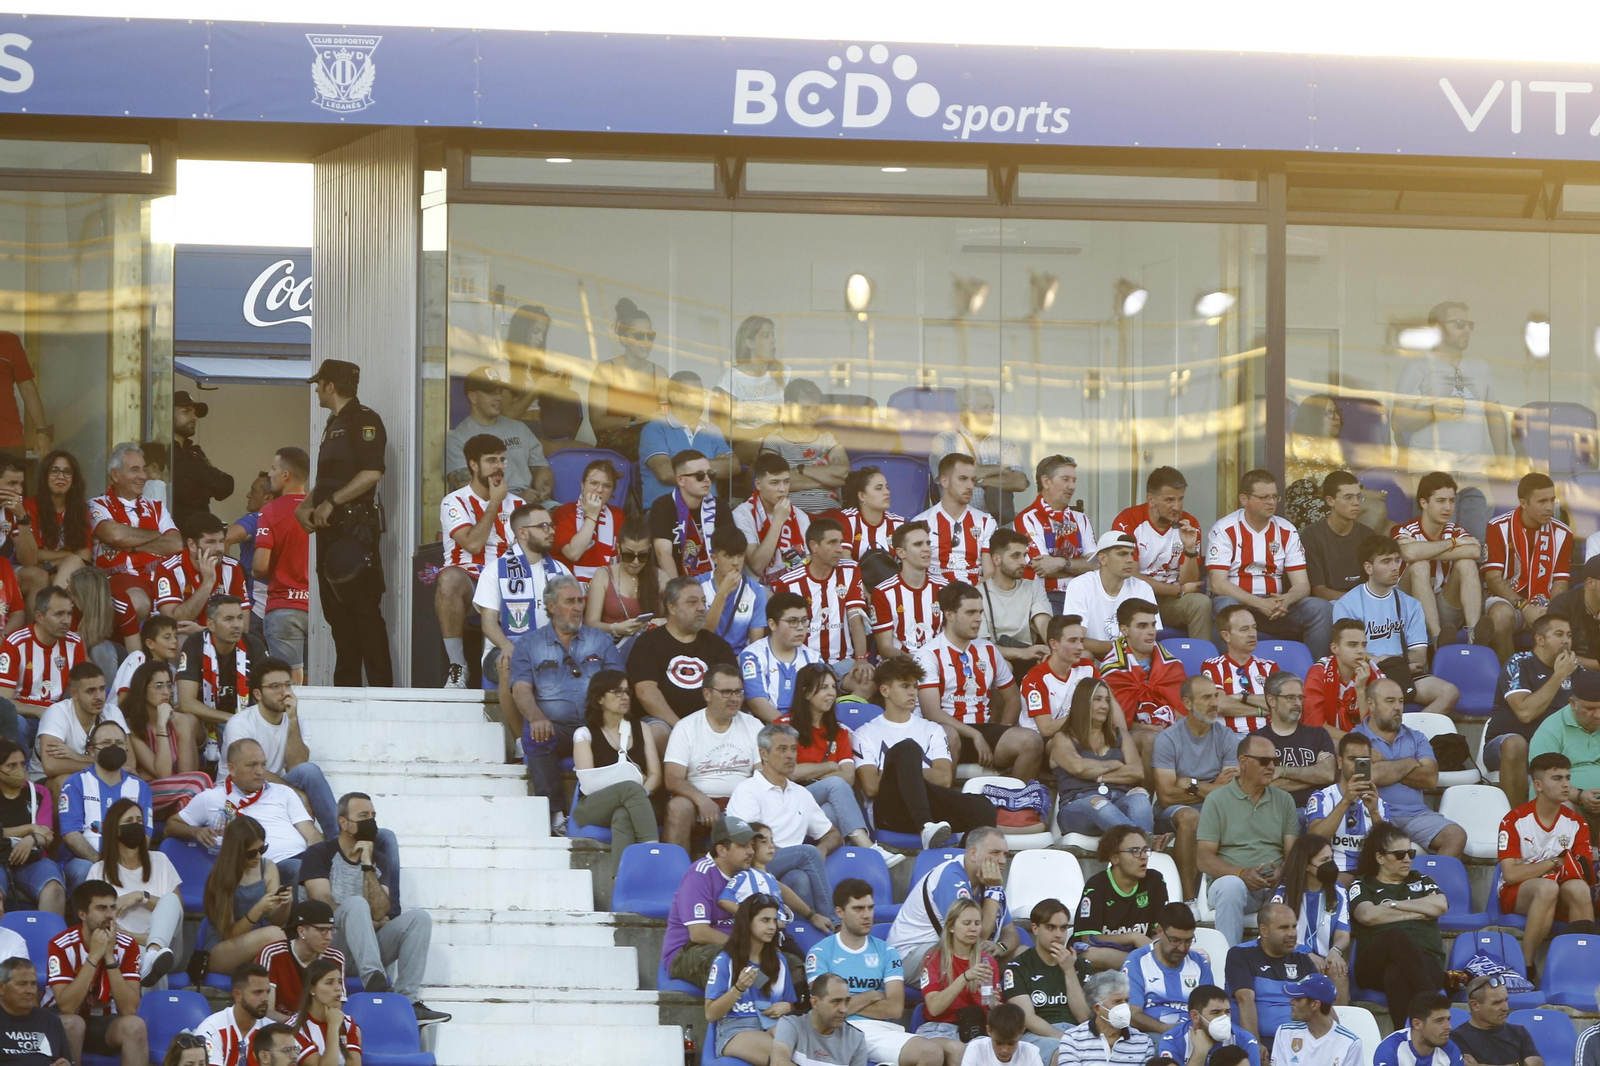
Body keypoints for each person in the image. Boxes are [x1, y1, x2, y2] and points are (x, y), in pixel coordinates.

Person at [300, 793, 448, 1024]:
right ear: (343, 822)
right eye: (363, 816)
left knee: (419, 918)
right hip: (331, 947)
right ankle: (374, 980)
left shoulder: (378, 859)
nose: (371, 821)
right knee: (357, 904)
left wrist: (367, 865)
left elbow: (380, 912)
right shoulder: (319, 853)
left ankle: (406, 1003)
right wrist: (368, 919)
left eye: (373, 816)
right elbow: (322, 906)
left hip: (367, 946)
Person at [296, 358, 392, 688]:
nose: (317, 391)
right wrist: (306, 505)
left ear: (330, 386)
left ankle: (382, 692)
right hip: (329, 532)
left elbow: (371, 473)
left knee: (364, 613)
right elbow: (328, 480)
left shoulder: (364, 420)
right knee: (338, 616)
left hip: (354, 531)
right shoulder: (331, 423)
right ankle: (346, 692)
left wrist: (332, 503)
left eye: (319, 385)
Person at [510, 574, 623, 830]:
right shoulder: (529, 644)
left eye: (580, 601)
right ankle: (555, 815)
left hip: (597, 726)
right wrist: (536, 717)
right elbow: (521, 689)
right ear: (551, 606)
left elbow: (619, 684)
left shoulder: (601, 640)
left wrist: (610, 721)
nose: (577, 607)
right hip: (556, 727)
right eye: (569, 601)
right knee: (535, 734)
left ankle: (610, 815)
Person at [853, 658, 997, 848]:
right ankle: (925, 827)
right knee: (908, 749)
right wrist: (908, 769)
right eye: (905, 686)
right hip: (890, 812)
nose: (913, 692)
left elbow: (945, 779)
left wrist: (903, 772)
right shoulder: (864, 733)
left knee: (984, 807)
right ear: (885, 690)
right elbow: (871, 787)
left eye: (915, 686)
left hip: (928, 803)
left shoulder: (932, 730)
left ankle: (958, 863)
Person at [1393, 301, 1503, 546]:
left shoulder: (1480, 367)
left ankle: (1471, 585)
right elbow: (1398, 422)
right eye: (1459, 324)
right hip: (1432, 471)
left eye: (1469, 325)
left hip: (1475, 471)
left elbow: (1495, 415)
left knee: (1475, 544)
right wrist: (1433, 412)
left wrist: (1503, 460)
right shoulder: (1417, 367)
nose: (1466, 330)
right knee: (1435, 545)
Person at [807, 878, 949, 1066]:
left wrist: (844, 1005)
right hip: (835, 1030)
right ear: (839, 912)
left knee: (931, 1053)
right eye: (858, 909)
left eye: (870, 908)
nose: (867, 915)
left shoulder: (887, 952)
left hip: (878, 1030)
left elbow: (895, 1008)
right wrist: (872, 995)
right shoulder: (820, 953)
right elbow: (825, 1010)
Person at [916, 582, 1043, 781]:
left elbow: (1012, 699)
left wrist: (1004, 728)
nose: (978, 619)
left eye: (980, 612)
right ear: (949, 615)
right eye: (971, 612)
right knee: (949, 735)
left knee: (1031, 741)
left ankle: (1013, 805)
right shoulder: (929, 654)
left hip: (983, 728)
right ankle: (943, 806)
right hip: (945, 731)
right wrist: (975, 735)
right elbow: (932, 713)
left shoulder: (988, 650)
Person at [1208, 469, 1331, 659]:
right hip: (1239, 602)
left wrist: (1285, 600)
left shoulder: (1286, 529)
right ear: (1244, 499)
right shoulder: (1225, 529)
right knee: (1226, 606)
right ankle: (1229, 673)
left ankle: (1316, 675)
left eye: (1274, 496)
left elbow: (1302, 585)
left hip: (1276, 606)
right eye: (1264, 497)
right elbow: (1218, 584)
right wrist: (1259, 603)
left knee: (1321, 609)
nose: (1271, 502)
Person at [778, 666, 895, 863]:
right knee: (835, 785)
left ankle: (839, 856)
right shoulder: (783, 726)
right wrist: (831, 767)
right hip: (788, 801)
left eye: (833, 686)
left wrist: (812, 775)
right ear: (806, 693)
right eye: (823, 687)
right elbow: (791, 773)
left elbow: (849, 776)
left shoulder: (838, 732)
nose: (831, 693)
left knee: (833, 810)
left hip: (815, 809)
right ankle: (869, 849)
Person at [437, 435, 528, 687]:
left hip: (508, 585)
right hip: (469, 583)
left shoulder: (520, 504)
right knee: (449, 579)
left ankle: (498, 656)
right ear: (473, 465)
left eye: (501, 460)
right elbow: (473, 544)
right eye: (491, 461)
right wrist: (494, 503)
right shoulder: (454, 501)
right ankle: (458, 666)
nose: (499, 466)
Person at [725, 723, 840, 922]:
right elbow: (749, 843)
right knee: (807, 852)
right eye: (782, 749)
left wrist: (822, 848)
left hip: (788, 870)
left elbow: (834, 835)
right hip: (754, 865)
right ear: (764, 754)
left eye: (793, 749)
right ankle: (835, 923)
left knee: (800, 878)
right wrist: (805, 854)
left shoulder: (801, 793)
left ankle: (800, 936)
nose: (790, 755)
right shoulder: (748, 791)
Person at [1333, 536, 1459, 716]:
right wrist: (1392, 664)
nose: (1394, 567)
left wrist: (1387, 661)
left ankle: (1412, 733)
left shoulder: (1411, 604)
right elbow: (1350, 655)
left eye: (1396, 560)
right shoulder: (1347, 604)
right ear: (1368, 568)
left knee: (1449, 692)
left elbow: (1419, 656)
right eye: (1386, 562)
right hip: (1366, 676)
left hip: (1403, 674)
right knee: (1383, 697)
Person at [168, 738, 319, 885]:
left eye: (263, 764)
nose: (260, 771)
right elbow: (171, 826)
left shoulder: (283, 792)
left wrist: (316, 859)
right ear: (232, 769)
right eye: (252, 765)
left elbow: (311, 833)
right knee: (300, 872)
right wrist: (194, 831)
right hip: (258, 870)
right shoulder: (210, 797)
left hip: (301, 860)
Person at [1497, 751, 1597, 967]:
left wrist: (1552, 869)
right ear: (1538, 786)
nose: (1566, 785)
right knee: (1547, 888)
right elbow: (1511, 874)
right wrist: (1552, 863)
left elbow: (1584, 872)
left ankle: (1585, 967)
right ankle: (1525, 965)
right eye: (1557, 778)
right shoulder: (1514, 819)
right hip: (1519, 893)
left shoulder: (1576, 822)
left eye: (1568, 778)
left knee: (1579, 888)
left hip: (1560, 888)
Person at [1197, 733, 1298, 945]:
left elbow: (1294, 855)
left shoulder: (1284, 800)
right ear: (1243, 761)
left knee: (1302, 883)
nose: (1271, 766)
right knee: (1231, 887)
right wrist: (1242, 874)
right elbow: (1203, 859)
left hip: (1274, 886)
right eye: (1264, 761)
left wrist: (1283, 873)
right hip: (1234, 885)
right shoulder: (1217, 800)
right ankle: (1230, 964)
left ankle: (1298, 961)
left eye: (1275, 761)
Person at [221, 659, 338, 839]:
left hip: (271, 786)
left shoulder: (299, 724)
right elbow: (250, 770)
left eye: (287, 684)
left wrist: (292, 719)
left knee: (309, 771)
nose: (284, 692)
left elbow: (297, 766)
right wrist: (296, 794)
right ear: (258, 694)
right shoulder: (240, 724)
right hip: (237, 789)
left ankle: (337, 840)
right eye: (275, 686)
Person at [1349, 823, 1449, 1032]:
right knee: (1396, 936)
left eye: (1411, 853)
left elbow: (1440, 905)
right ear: (1380, 858)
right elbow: (1367, 915)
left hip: (1427, 961)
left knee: (1396, 974)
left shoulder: (1420, 879)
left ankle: (1402, 1037)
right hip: (1373, 964)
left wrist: (1395, 905)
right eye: (1400, 854)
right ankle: (1433, 1004)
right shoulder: (1363, 884)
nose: (1407, 859)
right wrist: (1421, 910)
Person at [1151, 676, 1241, 904]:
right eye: (1206, 697)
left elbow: (1230, 792)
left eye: (1216, 696)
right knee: (1191, 817)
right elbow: (1166, 796)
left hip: (1215, 808)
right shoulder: (1168, 739)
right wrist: (1213, 787)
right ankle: (1188, 899)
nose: (1214, 703)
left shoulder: (1227, 737)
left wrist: (1192, 784)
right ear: (1188, 703)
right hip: (1174, 813)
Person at [472, 503, 575, 702]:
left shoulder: (561, 571)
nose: (551, 531)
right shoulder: (495, 570)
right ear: (522, 532)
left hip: (553, 647)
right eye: (543, 526)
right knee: (517, 663)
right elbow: (488, 623)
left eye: (552, 525)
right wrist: (507, 645)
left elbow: (574, 620)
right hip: (506, 648)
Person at [1354, 678, 1467, 858]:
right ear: (1371, 704)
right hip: (1374, 813)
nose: (1398, 707)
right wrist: (1410, 762)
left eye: (1401, 701)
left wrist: (1385, 764)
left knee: (1455, 836)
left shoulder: (1416, 737)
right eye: (1390, 701)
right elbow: (1368, 776)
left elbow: (1430, 778)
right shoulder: (1357, 739)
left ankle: (1430, 885)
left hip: (1416, 814)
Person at [890, 827, 1015, 983]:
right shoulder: (951, 878)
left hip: (951, 951)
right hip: (911, 955)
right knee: (973, 970)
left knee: (1022, 956)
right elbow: (975, 936)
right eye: (995, 853)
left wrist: (1001, 947)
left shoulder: (990, 881)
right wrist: (993, 890)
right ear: (973, 853)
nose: (1002, 860)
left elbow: (1010, 932)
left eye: (1005, 854)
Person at [45, 880, 148, 1066]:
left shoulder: (127, 945)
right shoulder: (61, 944)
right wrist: (93, 957)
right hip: (63, 1022)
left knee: (135, 1026)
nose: (110, 915)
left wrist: (109, 958)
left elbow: (129, 1009)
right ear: (82, 914)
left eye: (113, 908)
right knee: (73, 1023)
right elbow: (67, 1006)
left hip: (104, 1023)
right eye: (101, 908)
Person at [661, 664, 762, 850]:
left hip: (741, 803)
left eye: (738, 692)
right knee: (677, 807)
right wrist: (701, 800)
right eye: (726, 692)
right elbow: (672, 778)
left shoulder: (754, 726)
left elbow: (761, 775)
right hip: (697, 804)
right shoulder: (686, 727)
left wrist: (742, 803)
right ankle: (677, 875)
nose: (734, 699)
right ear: (707, 694)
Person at [84, 796, 182, 986]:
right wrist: (134, 939)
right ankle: (152, 958)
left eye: (139, 821)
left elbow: (177, 912)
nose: (135, 825)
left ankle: (154, 952)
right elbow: (93, 922)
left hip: (167, 947)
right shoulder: (98, 870)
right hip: (123, 946)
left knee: (170, 900)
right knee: (152, 966)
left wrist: (141, 897)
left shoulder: (160, 861)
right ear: (115, 829)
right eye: (129, 821)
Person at [771, 519, 874, 693]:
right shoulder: (789, 583)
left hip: (842, 660)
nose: (840, 548)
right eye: (832, 543)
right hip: (804, 663)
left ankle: (841, 716)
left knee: (867, 683)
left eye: (841, 542)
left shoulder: (850, 570)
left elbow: (855, 616)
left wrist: (861, 658)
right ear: (814, 546)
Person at [1489, 613, 1579, 808]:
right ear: (1540, 639)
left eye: (1569, 635)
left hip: (1555, 748)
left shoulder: (1576, 670)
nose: (1566, 640)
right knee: (1515, 744)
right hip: (1506, 747)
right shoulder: (1519, 663)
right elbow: (1525, 713)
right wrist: (1559, 675)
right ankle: (1516, 819)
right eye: (1559, 634)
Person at [1482, 472, 1573, 662]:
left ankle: (1550, 682)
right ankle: (1509, 680)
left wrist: (1549, 614)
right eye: (1542, 502)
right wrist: (1524, 607)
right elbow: (1493, 578)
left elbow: (1561, 582)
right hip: (1510, 603)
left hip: (1545, 606)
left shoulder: (1563, 533)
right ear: (1523, 503)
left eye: (1552, 500)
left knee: (1559, 624)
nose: (1549, 507)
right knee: (1500, 615)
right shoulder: (1498, 527)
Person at [1112, 467, 1211, 642]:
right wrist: (1178, 590)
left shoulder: (1190, 523)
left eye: (1181, 499)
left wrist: (1189, 549)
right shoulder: (1128, 521)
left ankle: (1202, 663)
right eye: (1169, 500)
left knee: (1201, 603)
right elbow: (1131, 576)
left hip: (1171, 602)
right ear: (1151, 499)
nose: (1177, 507)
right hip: (1136, 599)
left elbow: (1189, 583)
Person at [89, 442, 181, 630]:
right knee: (137, 602)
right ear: (116, 474)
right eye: (135, 470)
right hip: (117, 580)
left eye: (144, 470)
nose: (143, 476)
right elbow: (113, 534)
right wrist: (156, 536)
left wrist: (131, 544)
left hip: (159, 581)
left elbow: (175, 543)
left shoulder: (156, 506)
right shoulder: (96, 505)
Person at [630, 576, 738, 734]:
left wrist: (712, 726)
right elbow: (646, 692)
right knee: (656, 732)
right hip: (666, 724)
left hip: (711, 723)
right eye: (692, 602)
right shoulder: (648, 643)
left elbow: (732, 689)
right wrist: (682, 728)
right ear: (672, 608)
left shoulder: (718, 645)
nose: (701, 607)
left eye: (703, 601)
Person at [571, 671, 661, 858]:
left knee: (622, 816)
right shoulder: (584, 734)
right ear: (599, 698)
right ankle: (653, 854)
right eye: (617, 691)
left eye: (627, 692)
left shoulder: (642, 728)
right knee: (629, 787)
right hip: (593, 806)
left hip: (637, 802)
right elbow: (589, 784)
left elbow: (656, 775)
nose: (624, 697)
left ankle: (620, 880)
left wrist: (636, 797)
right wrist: (633, 788)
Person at [57, 720, 150, 893]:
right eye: (106, 743)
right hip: (82, 861)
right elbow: (70, 834)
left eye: (119, 743)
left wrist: (125, 865)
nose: (113, 748)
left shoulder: (141, 788)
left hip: (126, 861)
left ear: (126, 751)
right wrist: (100, 862)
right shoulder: (75, 783)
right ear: (92, 751)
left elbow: (145, 834)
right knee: (86, 870)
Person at [662, 815, 755, 986]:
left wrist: (809, 915)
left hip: (734, 947)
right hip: (687, 951)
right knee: (731, 962)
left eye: (751, 844)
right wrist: (745, 948)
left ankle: (781, 1007)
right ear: (721, 850)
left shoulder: (747, 874)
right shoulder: (700, 874)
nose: (751, 851)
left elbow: (776, 886)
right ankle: (747, 1009)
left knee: (788, 962)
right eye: (743, 845)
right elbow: (699, 933)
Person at [1051, 681, 1152, 837]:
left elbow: (1137, 772)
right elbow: (1078, 768)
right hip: (1078, 808)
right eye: (1097, 699)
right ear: (1082, 702)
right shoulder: (1063, 738)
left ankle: (1141, 844)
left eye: (1107, 700)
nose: (1104, 706)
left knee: (1140, 796)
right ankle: (1144, 841)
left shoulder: (1120, 735)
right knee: (1099, 803)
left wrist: (1097, 775)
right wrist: (1115, 764)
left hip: (1119, 801)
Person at [1394, 472, 1485, 645]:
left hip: (1445, 607)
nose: (1448, 507)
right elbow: (1409, 554)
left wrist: (1424, 550)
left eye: (1451, 501)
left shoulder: (1454, 529)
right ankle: (1437, 640)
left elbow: (1474, 551)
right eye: (1441, 501)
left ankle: (1475, 637)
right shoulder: (1405, 530)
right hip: (1410, 610)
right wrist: (1454, 543)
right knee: (1419, 566)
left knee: (1467, 563)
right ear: (1424, 503)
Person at [704, 894, 796, 1065]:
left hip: (772, 1024)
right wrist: (738, 988)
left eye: (774, 921)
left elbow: (791, 1002)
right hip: (735, 1028)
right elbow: (710, 1014)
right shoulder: (725, 960)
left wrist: (788, 1006)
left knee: (804, 1050)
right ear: (748, 922)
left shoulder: (779, 961)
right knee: (780, 1053)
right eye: (765, 920)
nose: (772, 927)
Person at [116, 651, 206, 820]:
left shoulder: (180, 721)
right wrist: (161, 726)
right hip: (143, 796)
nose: (166, 692)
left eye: (169, 685)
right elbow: (164, 772)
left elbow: (186, 774)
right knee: (200, 782)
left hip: (177, 792)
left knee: (191, 793)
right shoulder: (131, 725)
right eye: (158, 686)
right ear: (143, 690)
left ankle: (176, 831)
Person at [198, 815, 292, 977]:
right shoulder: (220, 877)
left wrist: (285, 904)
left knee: (276, 945)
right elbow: (228, 933)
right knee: (275, 935)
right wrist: (257, 909)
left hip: (257, 944)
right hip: (222, 948)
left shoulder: (268, 867)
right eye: (251, 853)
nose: (258, 856)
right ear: (236, 852)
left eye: (262, 849)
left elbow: (278, 920)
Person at [1100, 600, 1186, 774]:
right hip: (1130, 736)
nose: (1151, 632)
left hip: (1170, 731)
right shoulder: (1113, 671)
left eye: (1153, 625)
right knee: (1152, 739)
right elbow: (1115, 724)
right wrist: (1153, 729)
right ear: (1124, 630)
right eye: (1142, 626)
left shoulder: (1172, 665)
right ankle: (1146, 796)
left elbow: (1183, 709)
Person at [442, 366, 552, 499]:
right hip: (490, 509)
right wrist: (516, 498)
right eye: (491, 392)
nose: (499, 397)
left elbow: (540, 467)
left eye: (500, 392)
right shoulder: (457, 438)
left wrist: (544, 485)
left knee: (563, 514)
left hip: (529, 504)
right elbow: (469, 491)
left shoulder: (519, 428)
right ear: (473, 397)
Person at [1269, 834, 1351, 1001]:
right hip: (1290, 956)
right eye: (1324, 860)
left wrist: (1336, 951)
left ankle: (1340, 1023)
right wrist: (1306, 953)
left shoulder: (1339, 891)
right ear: (1306, 865)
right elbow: (1274, 935)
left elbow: (1343, 935)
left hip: (1325, 960)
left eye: (1332, 858)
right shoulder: (1284, 893)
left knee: (1338, 971)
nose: (1331, 865)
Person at [252, 447, 310, 684]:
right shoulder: (319, 507)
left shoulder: (270, 510)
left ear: (286, 475)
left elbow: (259, 566)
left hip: (283, 605)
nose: (270, 474)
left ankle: (293, 722)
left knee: (288, 684)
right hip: (318, 606)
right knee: (319, 678)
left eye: (274, 469)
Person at [640, 371, 736, 509]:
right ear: (674, 397)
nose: (700, 400)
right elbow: (666, 473)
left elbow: (733, 467)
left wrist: (682, 468)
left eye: (701, 394)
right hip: (666, 513)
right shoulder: (655, 428)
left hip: (709, 513)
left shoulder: (712, 429)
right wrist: (712, 467)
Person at [1014, 454, 1096, 616]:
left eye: (1074, 480)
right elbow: (1044, 567)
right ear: (1046, 482)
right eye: (1065, 479)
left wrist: (1061, 563)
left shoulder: (1081, 519)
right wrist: (1080, 566)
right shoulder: (1027, 518)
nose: (1072, 486)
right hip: (1045, 597)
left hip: (1083, 595)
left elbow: (1096, 565)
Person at [1224, 901, 1316, 1046]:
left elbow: (1321, 1005)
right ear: (1264, 930)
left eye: (1294, 927)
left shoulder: (1303, 959)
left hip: (1298, 1042)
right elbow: (1245, 1001)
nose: (1292, 934)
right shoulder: (1241, 954)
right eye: (1284, 928)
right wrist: (1254, 1044)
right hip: (1260, 1041)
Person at [929, 385, 1026, 522]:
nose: (990, 413)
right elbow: (956, 476)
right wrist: (1001, 469)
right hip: (960, 521)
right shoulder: (945, 441)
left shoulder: (1004, 444)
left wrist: (982, 480)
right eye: (984, 408)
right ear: (967, 411)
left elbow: (1020, 481)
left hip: (1000, 524)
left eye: (992, 408)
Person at [0, 585, 87, 736]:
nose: (66, 621)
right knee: (17, 723)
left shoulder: (75, 643)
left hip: (57, 718)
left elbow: (83, 691)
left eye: (69, 614)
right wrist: (39, 711)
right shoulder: (15, 643)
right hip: (24, 717)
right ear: (39, 616)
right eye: (59, 614)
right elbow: (3, 700)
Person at [1076, 827, 1166, 972]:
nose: (1143, 856)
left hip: (1142, 954)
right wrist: (1132, 937)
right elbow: (1088, 938)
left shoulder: (1155, 881)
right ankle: (1145, 966)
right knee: (1089, 955)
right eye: (1135, 851)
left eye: (1145, 850)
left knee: (1201, 957)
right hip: (1109, 955)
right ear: (1114, 858)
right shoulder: (1097, 885)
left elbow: (1160, 932)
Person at [588, 297, 667, 462]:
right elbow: (597, 422)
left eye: (650, 336)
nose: (646, 342)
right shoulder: (605, 370)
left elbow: (666, 414)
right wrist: (638, 419)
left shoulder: (660, 374)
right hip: (617, 444)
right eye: (639, 336)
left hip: (654, 442)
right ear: (623, 339)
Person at [31, 661, 127, 791]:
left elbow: (129, 762)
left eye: (102, 689)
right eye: (90, 691)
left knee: (129, 779)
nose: (99, 697)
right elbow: (52, 766)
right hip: (45, 782)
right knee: (65, 781)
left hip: (97, 777)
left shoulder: (112, 712)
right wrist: (107, 764)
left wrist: (78, 757)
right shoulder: (57, 713)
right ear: (74, 694)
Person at [1528, 669, 1600, 839]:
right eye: (1590, 709)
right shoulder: (1551, 729)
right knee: (1561, 804)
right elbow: (1546, 779)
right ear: (1573, 703)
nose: (1598, 715)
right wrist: (1580, 796)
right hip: (1568, 803)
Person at [915, 898, 999, 1042]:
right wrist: (965, 977)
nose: (973, 928)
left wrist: (994, 1005)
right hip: (939, 1028)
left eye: (977, 923)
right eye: (966, 923)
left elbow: (993, 1014)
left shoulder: (987, 962)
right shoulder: (933, 958)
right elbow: (934, 1008)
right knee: (957, 1050)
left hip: (976, 1029)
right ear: (951, 927)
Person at [1060, 532, 1156, 657]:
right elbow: (1075, 639)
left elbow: (1150, 638)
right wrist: (1124, 646)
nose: (1130, 560)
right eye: (1122, 554)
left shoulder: (1143, 588)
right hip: (1096, 661)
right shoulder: (1080, 585)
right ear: (1103, 558)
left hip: (1132, 661)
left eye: (1131, 554)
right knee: (1084, 655)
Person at [1306, 732, 1389, 878]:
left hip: (1370, 874)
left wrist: (1374, 812)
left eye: (1364, 760)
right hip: (1333, 872)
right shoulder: (1322, 798)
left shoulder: (1379, 803)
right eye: (1352, 759)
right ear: (1339, 762)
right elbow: (1314, 840)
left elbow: (1388, 848)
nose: (1358, 765)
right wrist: (1346, 801)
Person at [175, 595, 266, 727]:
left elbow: (269, 690)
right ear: (211, 625)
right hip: (207, 722)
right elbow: (186, 703)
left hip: (247, 722)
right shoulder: (195, 644)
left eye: (240, 618)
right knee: (187, 721)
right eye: (228, 619)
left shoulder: (253, 644)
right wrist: (233, 719)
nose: (236, 625)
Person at [761, 377, 847, 515]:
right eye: (806, 408)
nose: (812, 415)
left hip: (831, 517)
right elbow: (773, 482)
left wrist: (801, 470)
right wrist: (828, 481)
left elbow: (844, 475)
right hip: (790, 515)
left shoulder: (828, 439)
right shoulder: (774, 441)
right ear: (788, 407)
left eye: (815, 409)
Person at [1120, 903, 1210, 1035]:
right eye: (1175, 940)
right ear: (1160, 931)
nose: (1182, 948)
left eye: (1188, 941)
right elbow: (1132, 1015)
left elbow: (1210, 1011)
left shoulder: (1199, 962)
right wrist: (1166, 1029)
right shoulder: (1138, 961)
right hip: (1152, 1034)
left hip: (1194, 1034)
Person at [1251, 672, 1336, 811]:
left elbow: (1328, 774)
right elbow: (1259, 786)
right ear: (1272, 700)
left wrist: (1283, 771)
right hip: (1273, 812)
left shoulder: (1319, 734)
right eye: (1290, 698)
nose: (1297, 703)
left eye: (1300, 697)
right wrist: (1314, 776)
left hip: (1318, 812)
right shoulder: (1256, 740)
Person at [0, 737, 62, 914]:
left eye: (22, 764)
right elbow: (37, 828)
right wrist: (30, 829)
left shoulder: (39, 793)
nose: (19, 770)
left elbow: (46, 834)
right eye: (11, 766)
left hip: (33, 858)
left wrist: (31, 839)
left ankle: (49, 939)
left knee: (54, 888)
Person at [738, 594, 822, 724]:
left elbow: (821, 700)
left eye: (804, 620)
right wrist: (789, 728)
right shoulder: (753, 655)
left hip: (806, 728)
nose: (801, 627)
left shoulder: (814, 658)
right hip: (766, 731)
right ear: (772, 624)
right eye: (792, 621)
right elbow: (757, 703)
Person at [715, 315, 786, 470]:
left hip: (781, 439)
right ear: (749, 342)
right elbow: (722, 428)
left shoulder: (782, 373)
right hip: (747, 444)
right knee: (771, 456)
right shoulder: (731, 378)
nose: (773, 340)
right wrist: (759, 432)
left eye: (773, 335)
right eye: (766, 336)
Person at [17, 448, 93, 591]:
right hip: (33, 570)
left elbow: (85, 554)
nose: (61, 476)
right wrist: (70, 555)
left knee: (76, 565)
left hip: (60, 568)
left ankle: (53, 606)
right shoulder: (30, 506)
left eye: (67, 472)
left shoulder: (80, 509)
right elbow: (34, 556)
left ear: (74, 479)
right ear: (45, 476)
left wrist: (50, 563)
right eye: (54, 470)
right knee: (71, 566)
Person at [648, 450, 731, 580]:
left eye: (710, 474)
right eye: (699, 475)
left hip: (715, 582)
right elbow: (663, 553)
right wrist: (678, 590)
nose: (707, 479)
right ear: (680, 480)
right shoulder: (662, 506)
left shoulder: (720, 506)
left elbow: (728, 552)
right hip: (677, 580)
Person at [915, 453, 996, 586]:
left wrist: (971, 600)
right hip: (934, 601)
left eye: (973, 480)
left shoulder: (986, 522)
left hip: (974, 598)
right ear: (944, 481)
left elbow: (989, 573)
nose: (970, 486)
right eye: (963, 479)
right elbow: (915, 573)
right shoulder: (920, 524)